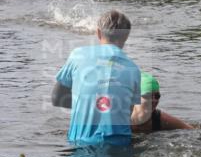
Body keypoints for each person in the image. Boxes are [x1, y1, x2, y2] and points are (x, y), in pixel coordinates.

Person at [52, 10, 142, 146]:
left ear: (98, 33)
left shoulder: (78, 55)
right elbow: (126, 113)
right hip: (120, 144)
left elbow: (56, 98)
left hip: (81, 141)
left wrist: (86, 106)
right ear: (126, 37)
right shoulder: (133, 69)